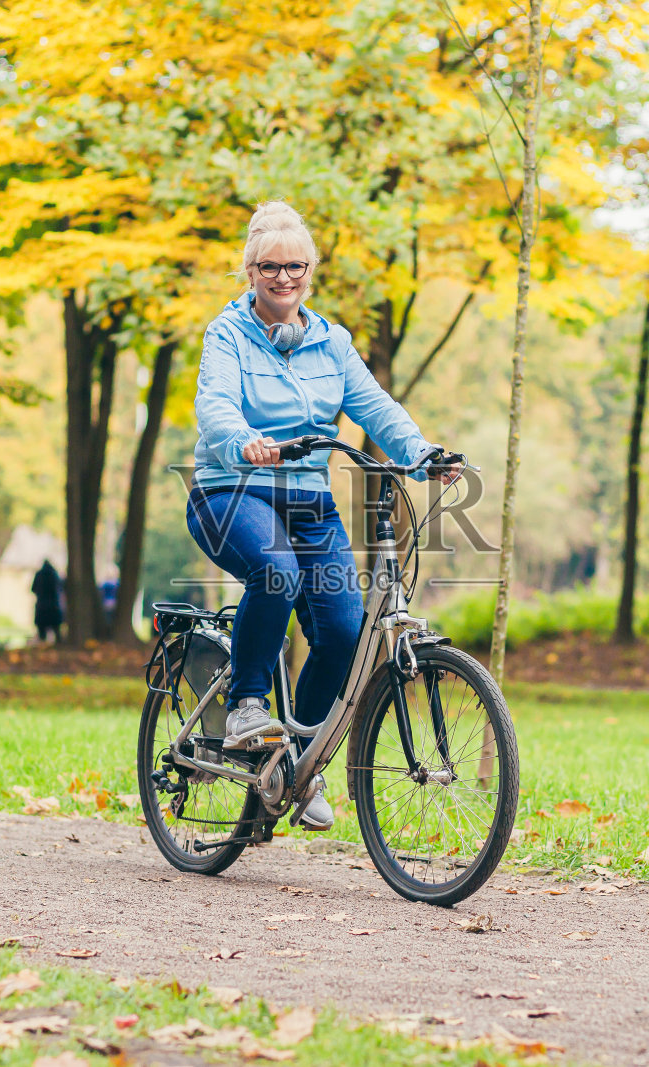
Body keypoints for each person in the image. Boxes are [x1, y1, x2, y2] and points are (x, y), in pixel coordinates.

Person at [186, 201, 459, 832]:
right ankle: (249, 701)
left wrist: (420, 454)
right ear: (250, 271)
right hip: (233, 490)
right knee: (276, 570)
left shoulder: (332, 342)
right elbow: (216, 404)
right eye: (271, 267)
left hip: (307, 499)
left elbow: (377, 407)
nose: (284, 279)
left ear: (311, 272)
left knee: (343, 630)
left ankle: (296, 763)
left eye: (297, 268)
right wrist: (242, 440)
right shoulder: (226, 334)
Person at [31, 559, 63, 643]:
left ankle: (42, 643)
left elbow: (33, 589)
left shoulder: (39, 574)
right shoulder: (54, 574)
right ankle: (58, 644)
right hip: (54, 605)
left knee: (42, 630)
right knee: (56, 630)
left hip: (41, 605)